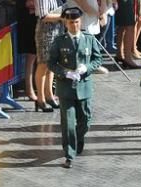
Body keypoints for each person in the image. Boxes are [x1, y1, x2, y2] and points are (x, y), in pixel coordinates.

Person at [48, 6, 103, 168]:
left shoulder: (89, 39)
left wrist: (87, 68)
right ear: (66, 23)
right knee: (68, 123)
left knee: (85, 120)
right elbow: (51, 63)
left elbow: (97, 59)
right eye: (71, 22)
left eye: (77, 22)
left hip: (84, 86)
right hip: (66, 88)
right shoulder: (59, 41)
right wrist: (65, 72)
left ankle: (78, 139)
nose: (75, 25)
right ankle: (69, 154)